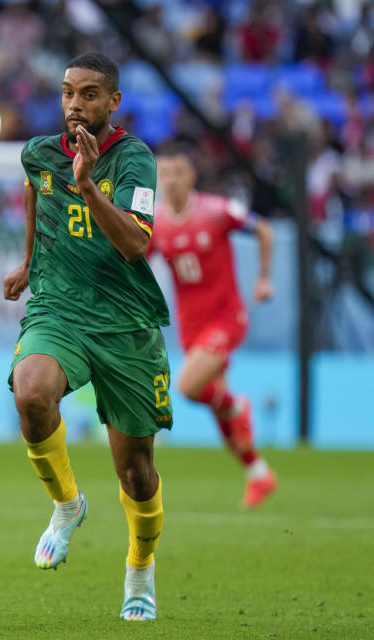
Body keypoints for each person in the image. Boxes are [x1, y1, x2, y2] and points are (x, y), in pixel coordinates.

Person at [3, 52, 170, 621]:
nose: (76, 104)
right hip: (60, 308)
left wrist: (88, 188)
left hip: (125, 324)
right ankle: (67, 505)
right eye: (69, 93)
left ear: (113, 103)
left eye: (90, 94)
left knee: (136, 472)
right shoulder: (40, 153)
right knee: (30, 392)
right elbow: (34, 186)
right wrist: (26, 261)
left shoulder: (134, 161)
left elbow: (134, 245)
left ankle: (140, 571)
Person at [152, 150, 277, 508]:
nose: (172, 179)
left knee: (190, 387)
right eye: (166, 172)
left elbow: (264, 230)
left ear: (191, 176)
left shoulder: (218, 211)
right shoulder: (156, 224)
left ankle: (239, 405)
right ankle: (258, 473)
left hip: (226, 318)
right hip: (191, 327)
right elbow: (136, 264)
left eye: (178, 171)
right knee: (220, 417)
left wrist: (264, 279)